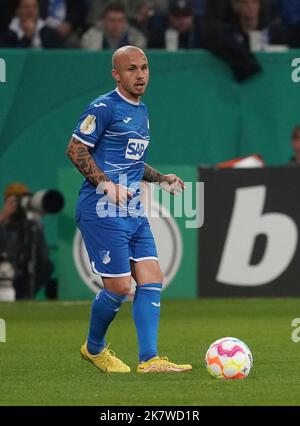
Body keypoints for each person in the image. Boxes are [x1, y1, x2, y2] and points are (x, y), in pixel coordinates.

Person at [67, 45, 192, 373]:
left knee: (152, 277)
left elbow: (134, 161)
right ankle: (94, 349)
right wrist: (105, 184)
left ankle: (149, 359)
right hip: (101, 208)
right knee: (121, 288)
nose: (140, 74)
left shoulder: (142, 110)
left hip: (132, 209)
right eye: (131, 69)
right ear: (116, 74)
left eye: (144, 67)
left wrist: (160, 178)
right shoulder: (103, 107)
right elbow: (76, 149)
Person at [0, 183, 54, 299]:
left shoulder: (31, 224)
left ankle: (25, 296)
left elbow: (43, 256)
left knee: (46, 266)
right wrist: (4, 216)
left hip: (22, 270)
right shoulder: (4, 221)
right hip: (5, 267)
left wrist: (36, 221)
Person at [81, 2, 146, 50]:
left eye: (120, 21)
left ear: (125, 22)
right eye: (111, 20)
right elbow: (92, 59)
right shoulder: (91, 36)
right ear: (103, 21)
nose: (116, 24)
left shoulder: (136, 37)